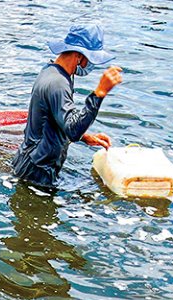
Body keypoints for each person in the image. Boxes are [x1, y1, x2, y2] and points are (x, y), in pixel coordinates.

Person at [12, 24, 123, 188]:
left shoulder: (53, 73)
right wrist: (99, 93)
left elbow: (55, 120)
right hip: (37, 172)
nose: (90, 65)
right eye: (90, 59)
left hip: (33, 164)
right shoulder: (58, 83)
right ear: (79, 56)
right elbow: (73, 129)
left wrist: (85, 137)